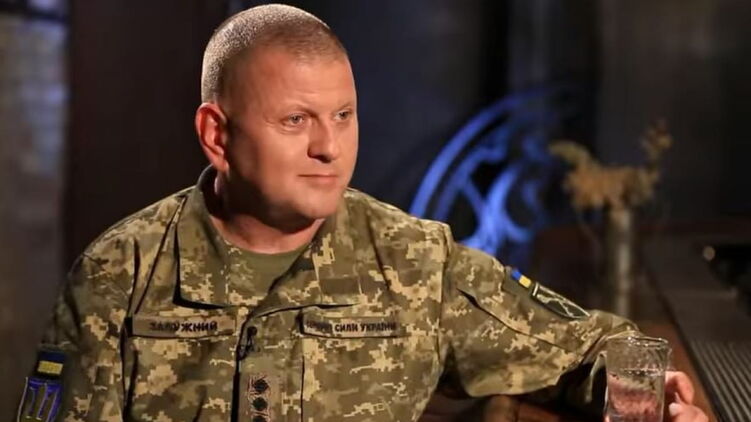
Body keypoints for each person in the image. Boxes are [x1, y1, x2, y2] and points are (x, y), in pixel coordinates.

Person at [17, 4, 708, 422]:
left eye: (343, 116)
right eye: (296, 120)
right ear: (217, 136)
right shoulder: (120, 275)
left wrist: (662, 397)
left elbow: (590, 347)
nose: (329, 147)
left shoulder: (414, 262)